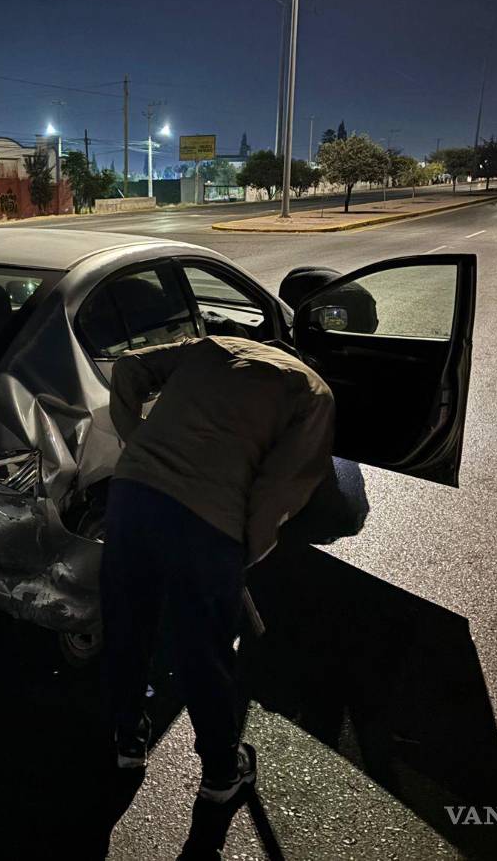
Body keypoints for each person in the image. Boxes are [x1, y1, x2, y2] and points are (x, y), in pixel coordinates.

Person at [101, 335, 335, 803]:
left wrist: (137, 441)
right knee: (201, 652)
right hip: (208, 523)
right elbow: (281, 486)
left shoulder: (212, 345)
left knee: (127, 627)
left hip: (131, 496)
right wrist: (244, 549)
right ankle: (221, 773)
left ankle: (128, 740)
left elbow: (127, 366)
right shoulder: (313, 392)